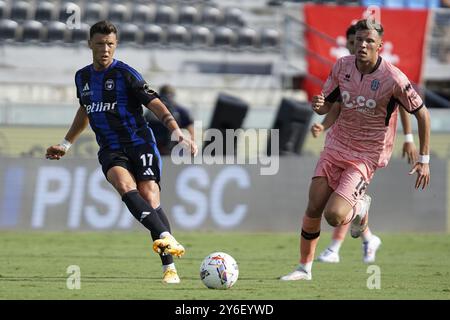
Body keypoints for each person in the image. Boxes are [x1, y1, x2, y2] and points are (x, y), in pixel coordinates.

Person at [45, 21, 198, 284]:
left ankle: (169, 267)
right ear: (89, 44)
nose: (105, 49)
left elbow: (155, 103)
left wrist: (176, 129)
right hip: (110, 148)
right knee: (124, 185)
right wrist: (66, 143)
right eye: (100, 43)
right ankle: (167, 238)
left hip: (140, 143)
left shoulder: (127, 75)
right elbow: (85, 110)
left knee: (150, 196)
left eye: (110, 44)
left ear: (116, 46)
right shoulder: (81, 77)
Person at [281, 19, 430, 281]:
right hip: (336, 145)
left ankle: (360, 207)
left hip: (365, 155)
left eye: (369, 41)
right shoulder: (342, 66)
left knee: (334, 215)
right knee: (313, 207)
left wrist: (423, 157)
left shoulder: (393, 78)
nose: (362, 44)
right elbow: (328, 105)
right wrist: (319, 106)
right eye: (359, 39)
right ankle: (304, 268)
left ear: (380, 46)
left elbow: (422, 114)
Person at [310, 24, 418, 264]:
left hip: (371, 148)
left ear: (377, 45)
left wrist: (409, 138)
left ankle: (335, 247)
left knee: (342, 203)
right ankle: (369, 238)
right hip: (343, 142)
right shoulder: (345, 68)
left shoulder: (387, 76)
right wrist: (323, 125)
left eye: (363, 41)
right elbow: (338, 105)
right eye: (354, 42)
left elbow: (405, 106)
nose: (357, 47)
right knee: (343, 203)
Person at [144, 84, 195, 155]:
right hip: (159, 148)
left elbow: (190, 130)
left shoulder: (181, 111)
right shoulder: (153, 111)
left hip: (171, 148)